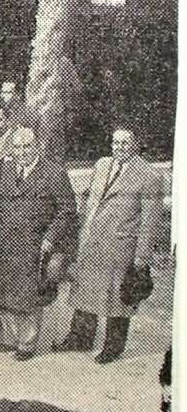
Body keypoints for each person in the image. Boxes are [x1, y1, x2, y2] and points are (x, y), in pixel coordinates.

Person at [58, 128, 164, 364]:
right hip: (92, 243)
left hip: (120, 249)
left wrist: (141, 260)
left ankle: (113, 347)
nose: (119, 147)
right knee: (86, 292)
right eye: (115, 142)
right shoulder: (102, 165)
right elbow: (89, 201)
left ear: (135, 144)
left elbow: (150, 223)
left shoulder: (149, 176)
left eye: (125, 142)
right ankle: (80, 338)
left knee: (118, 300)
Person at [0, 126, 77, 361]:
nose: (22, 152)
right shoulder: (5, 169)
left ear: (37, 147)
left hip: (35, 244)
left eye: (27, 146)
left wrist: (50, 238)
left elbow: (67, 211)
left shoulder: (53, 172)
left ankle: (27, 343)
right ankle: (9, 339)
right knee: (4, 292)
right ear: (12, 149)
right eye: (18, 147)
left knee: (29, 295)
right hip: (5, 242)